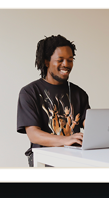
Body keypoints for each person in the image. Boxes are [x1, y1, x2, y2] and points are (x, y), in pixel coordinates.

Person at [17, 34, 91, 166]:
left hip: (75, 158)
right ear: (46, 61)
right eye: (60, 60)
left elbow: (90, 125)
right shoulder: (29, 92)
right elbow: (34, 134)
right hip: (45, 159)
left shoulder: (79, 94)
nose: (66, 65)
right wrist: (66, 140)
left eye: (70, 60)